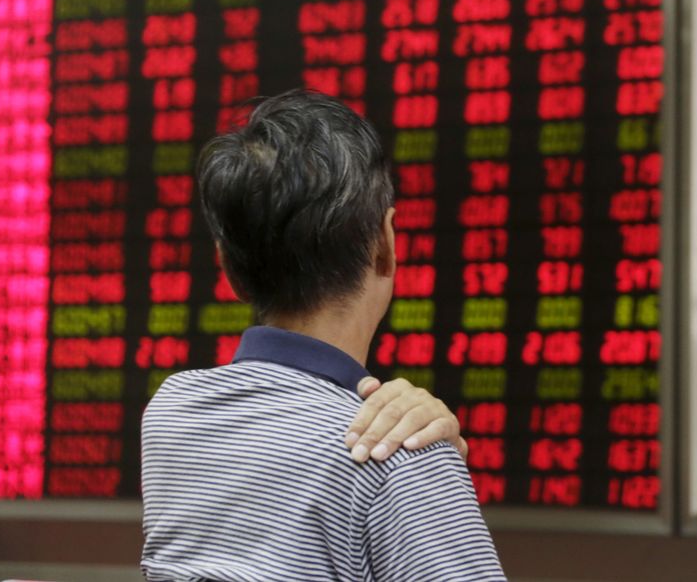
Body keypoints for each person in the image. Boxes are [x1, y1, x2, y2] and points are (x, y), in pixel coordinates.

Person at [141, 91, 506, 581]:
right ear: (385, 244)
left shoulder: (171, 413)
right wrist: (430, 473)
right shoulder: (396, 452)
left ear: (228, 268)